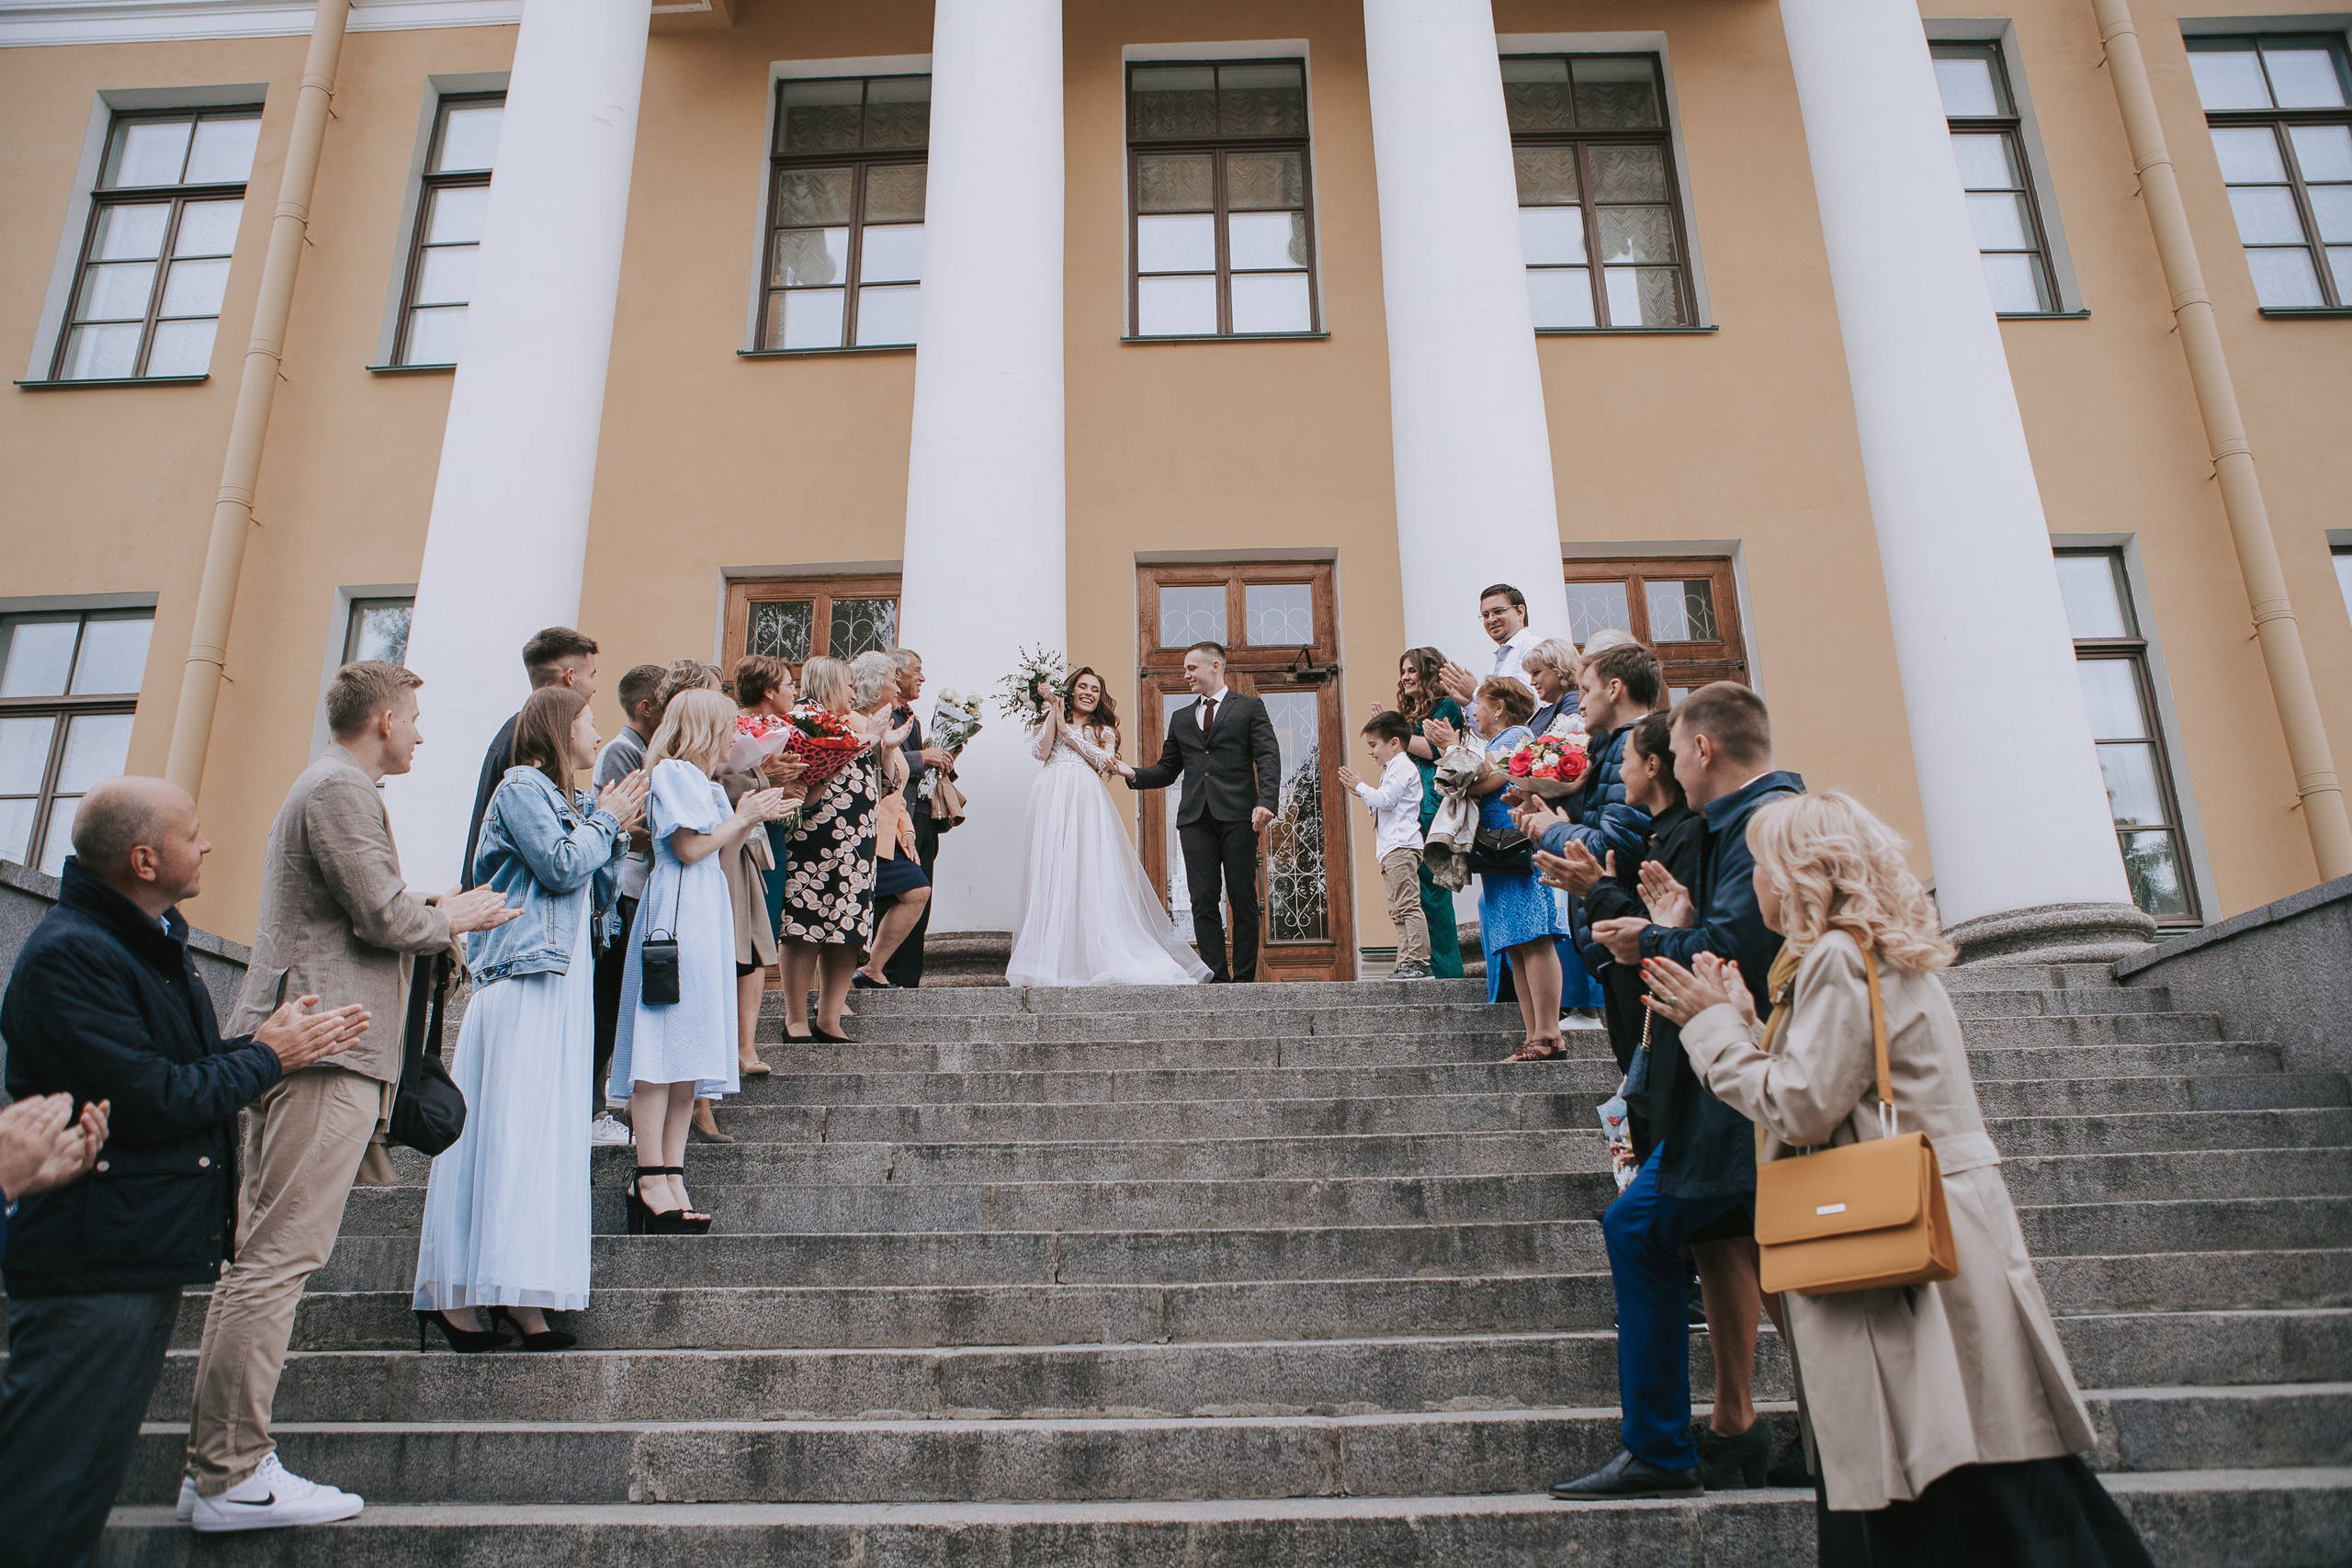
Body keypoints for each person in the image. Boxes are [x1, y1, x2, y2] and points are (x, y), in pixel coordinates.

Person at [1645, 792, 2155, 1568]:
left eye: (1760, 868)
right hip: (1943, 1237)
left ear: (1801, 875)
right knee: (1982, 1458)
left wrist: (1711, 1028)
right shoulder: (1871, 952)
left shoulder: (1837, 960)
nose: (1752, 886)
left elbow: (1804, 1106)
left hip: (1896, 1259)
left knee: (1927, 1461)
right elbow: (1829, 1082)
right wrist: (1746, 1024)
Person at [183, 661, 515, 1529]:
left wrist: (435, 906)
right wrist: (454, 915)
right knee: (274, 1261)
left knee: (266, 1259)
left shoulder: (339, 786)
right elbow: (380, 916)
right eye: (412, 718)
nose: (419, 733)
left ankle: (216, 1465)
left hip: (328, 1045)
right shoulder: (338, 788)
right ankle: (232, 1471)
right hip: (321, 1048)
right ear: (381, 718)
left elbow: (369, 907)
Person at [0, 776, 365, 1557]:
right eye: (190, 832)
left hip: (132, 1249)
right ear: (142, 858)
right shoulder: (75, 955)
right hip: (91, 1261)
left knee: (80, 1487)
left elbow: (181, 1068)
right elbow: (156, 1097)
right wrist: (270, 1055)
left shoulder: (142, 941)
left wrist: (262, 1041)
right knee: (43, 1492)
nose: (204, 843)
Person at [1554, 681, 1803, 1502]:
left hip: (1744, 1078)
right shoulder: (1734, 822)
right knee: (1735, 1243)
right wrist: (1646, 918)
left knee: (1647, 1227)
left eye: (1626, 755)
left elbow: (1732, 947)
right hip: (1722, 1075)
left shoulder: (1757, 825)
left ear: (1695, 750)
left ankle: (1666, 1445)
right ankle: (1740, 1426)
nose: (1614, 768)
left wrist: (1647, 927)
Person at [413, 686, 644, 1353]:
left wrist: (612, 828)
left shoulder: (569, 802)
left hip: (563, 986)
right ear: (556, 729)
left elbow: (595, 888)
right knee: (503, 1129)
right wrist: (604, 822)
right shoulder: (519, 788)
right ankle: (456, 1297)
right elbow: (562, 865)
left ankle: (520, 1292)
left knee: (540, 1138)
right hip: (521, 980)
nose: (597, 734)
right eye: (588, 722)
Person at [610, 688, 796, 1231]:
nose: (736, 737)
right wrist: (742, 815)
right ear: (705, 727)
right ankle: (649, 1175)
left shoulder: (706, 782)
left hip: (706, 907)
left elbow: (722, 852)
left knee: (687, 1049)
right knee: (663, 1041)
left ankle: (672, 1173)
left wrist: (750, 819)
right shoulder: (671, 772)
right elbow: (689, 849)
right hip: (679, 909)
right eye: (729, 727)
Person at [1541, 709, 1701, 1158]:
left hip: (1651, 983)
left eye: (1625, 758)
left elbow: (1661, 935)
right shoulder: (1668, 835)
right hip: (1629, 964)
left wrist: (1597, 888)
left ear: (1652, 765)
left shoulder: (1683, 838)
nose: (1618, 768)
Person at [1010, 667, 1211, 987]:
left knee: (1086, 872)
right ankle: (1049, 957)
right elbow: (1040, 751)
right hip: (1049, 795)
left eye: (1096, 689)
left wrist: (1067, 728)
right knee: (1051, 870)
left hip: (1085, 798)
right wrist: (1054, 711)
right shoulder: (1053, 716)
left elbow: (1102, 762)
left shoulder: (1104, 730)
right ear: (1069, 691)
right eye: (1083, 687)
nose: (1090, 693)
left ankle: (1095, 955)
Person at [1426, 677, 1572, 1057]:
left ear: (1500, 708)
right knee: (1515, 943)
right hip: (1498, 854)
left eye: (1480, 704)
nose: (1474, 711)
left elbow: (1477, 784)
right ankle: (1533, 1036)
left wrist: (1453, 748)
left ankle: (1549, 1032)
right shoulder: (1494, 742)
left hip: (1516, 847)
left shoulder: (1515, 735)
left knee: (1534, 937)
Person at [1123, 642, 1281, 983]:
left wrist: (1266, 801)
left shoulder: (1250, 708)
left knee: (1242, 896)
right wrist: (1131, 773)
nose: (1185, 675)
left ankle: (1243, 980)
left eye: (1191, 668)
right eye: (1184, 670)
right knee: (1202, 898)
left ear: (1214, 666)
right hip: (1194, 819)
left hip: (1239, 815)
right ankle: (1216, 978)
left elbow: (1267, 756)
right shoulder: (1180, 718)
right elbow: (1167, 769)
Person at [775, 656, 882, 1040]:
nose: (854, 693)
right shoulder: (802, 718)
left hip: (857, 842)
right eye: (849, 685)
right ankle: (795, 1019)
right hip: (814, 840)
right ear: (829, 683)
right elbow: (804, 778)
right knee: (805, 926)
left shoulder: (848, 723)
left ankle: (830, 1017)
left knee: (846, 928)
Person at [719, 655, 808, 1077]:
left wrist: (792, 783)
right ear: (769, 691)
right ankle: (726, 1043)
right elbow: (719, 783)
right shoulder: (730, 728)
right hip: (732, 844)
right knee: (736, 941)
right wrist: (766, 776)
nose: (795, 691)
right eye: (789, 684)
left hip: (768, 838)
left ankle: (746, 1045)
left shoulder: (786, 731)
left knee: (760, 940)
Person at [461, 626, 599, 889]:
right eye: (591, 675)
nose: (594, 687)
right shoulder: (526, 744)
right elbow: (553, 862)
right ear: (570, 677)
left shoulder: (520, 735)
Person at [591, 662, 664, 1147]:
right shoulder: (621, 753)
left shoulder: (647, 752)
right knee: (608, 1000)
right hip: (624, 891)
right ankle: (595, 1103)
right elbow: (617, 829)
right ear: (646, 707)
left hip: (642, 889)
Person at [852, 658, 933, 989]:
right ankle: (833, 996)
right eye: (891, 680)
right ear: (874, 684)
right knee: (852, 911)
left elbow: (893, 787)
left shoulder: (886, 722)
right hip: (857, 833)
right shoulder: (855, 723)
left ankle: (873, 967)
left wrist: (908, 832)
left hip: (888, 834)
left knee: (917, 889)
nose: (898, 687)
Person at [880, 648, 958, 987]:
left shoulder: (912, 716)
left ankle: (909, 979)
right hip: (896, 823)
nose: (922, 677)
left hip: (921, 821)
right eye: (917, 670)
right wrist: (923, 757)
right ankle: (885, 972)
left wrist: (943, 755)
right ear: (896, 675)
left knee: (920, 900)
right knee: (897, 898)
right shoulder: (882, 714)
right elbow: (882, 760)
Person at [1386, 647, 1465, 978]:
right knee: (1409, 890)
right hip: (1407, 808)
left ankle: (1444, 970)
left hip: (1430, 804)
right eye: (1403, 671)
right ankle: (1414, 960)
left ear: (1429, 673)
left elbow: (1437, 750)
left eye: (1412, 671)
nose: (1405, 677)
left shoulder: (1446, 706)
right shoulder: (1409, 718)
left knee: (1432, 888)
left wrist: (1396, 734)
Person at [1338, 710, 1430, 980]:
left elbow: (1387, 800)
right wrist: (1361, 792)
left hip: (1401, 846)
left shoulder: (1402, 766)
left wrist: (1363, 787)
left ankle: (1419, 962)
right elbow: (1383, 807)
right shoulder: (1392, 769)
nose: (1371, 752)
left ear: (1394, 743)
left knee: (1408, 905)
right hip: (1391, 849)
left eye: (1373, 745)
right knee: (1398, 909)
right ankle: (1405, 961)